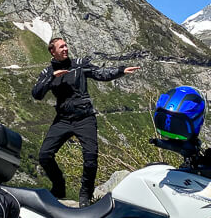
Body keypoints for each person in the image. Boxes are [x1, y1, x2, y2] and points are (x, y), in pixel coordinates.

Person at [32, 37, 139, 206]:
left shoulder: (79, 64)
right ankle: (59, 186)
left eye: (66, 45)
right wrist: (51, 78)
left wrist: (121, 70)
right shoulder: (47, 72)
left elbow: (100, 73)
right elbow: (37, 94)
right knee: (45, 155)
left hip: (85, 118)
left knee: (90, 157)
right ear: (53, 51)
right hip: (63, 119)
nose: (65, 49)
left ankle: (85, 195)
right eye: (61, 47)